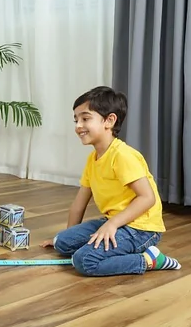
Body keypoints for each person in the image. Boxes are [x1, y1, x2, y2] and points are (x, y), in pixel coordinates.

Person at [40, 86, 180, 276]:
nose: (78, 126)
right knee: (61, 242)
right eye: (76, 120)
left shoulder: (123, 156)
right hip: (116, 221)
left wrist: (112, 225)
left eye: (85, 118)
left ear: (109, 121)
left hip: (141, 229)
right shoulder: (92, 159)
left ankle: (150, 259)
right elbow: (78, 205)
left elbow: (147, 198)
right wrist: (67, 240)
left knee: (84, 261)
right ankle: (112, 248)